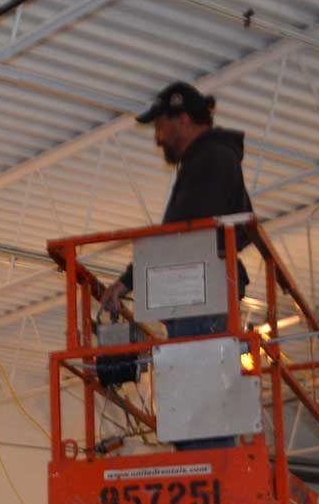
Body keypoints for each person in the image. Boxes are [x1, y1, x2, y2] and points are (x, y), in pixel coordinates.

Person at [100, 80, 252, 338]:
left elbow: (179, 235)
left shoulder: (209, 158)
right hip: (206, 292)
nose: (158, 139)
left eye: (160, 127)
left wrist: (127, 281)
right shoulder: (214, 157)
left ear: (183, 120)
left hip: (200, 296)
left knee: (190, 367)